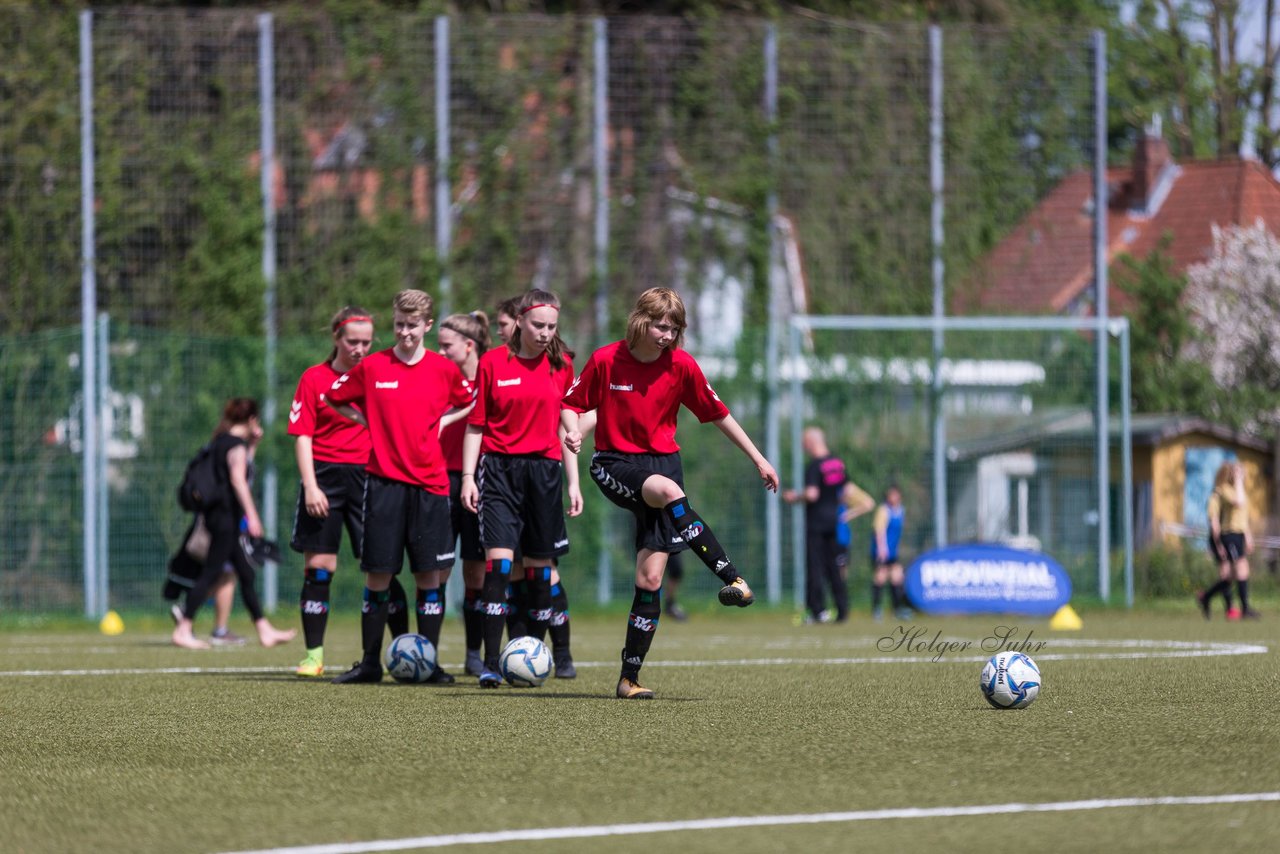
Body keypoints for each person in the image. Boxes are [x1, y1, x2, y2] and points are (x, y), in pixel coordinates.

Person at [562, 286, 778, 700]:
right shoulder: (607, 359)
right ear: (641, 320)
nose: (666, 334)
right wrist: (572, 431)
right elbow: (571, 403)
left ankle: (629, 679)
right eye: (661, 325)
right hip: (614, 463)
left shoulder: (682, 366)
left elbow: (719, 414)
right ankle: (734, 578)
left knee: (650, 577)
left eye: (674, 327)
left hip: (664, 466)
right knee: (668, 491)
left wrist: (759, 458)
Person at [323, 289, 475, 684]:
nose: (405, 333)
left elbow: (469, 399)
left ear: (427, 325)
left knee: (429, 577)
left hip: (429, 486)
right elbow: (334, 397)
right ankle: (370, 663)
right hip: (384, 485)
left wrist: (445, 421)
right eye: (399, 325)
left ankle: (430, 665)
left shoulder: (443, 370)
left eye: (413, 326)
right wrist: (363, 421)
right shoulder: (373, 367)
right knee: (379, 576)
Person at [461, 289, 583, 688]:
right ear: (521, 323)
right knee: (498, 567)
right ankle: (492, 664)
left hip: (544, 474)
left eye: (552, 326)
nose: (546, 333)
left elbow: (568, 411)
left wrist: (574, 476)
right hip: (498, 472)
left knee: (540, 572)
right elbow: (476, 423)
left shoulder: (561, 364)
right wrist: (467, 478)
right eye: (538, 325)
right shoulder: (492, 362)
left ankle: (536, 655)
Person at [287, 306, 413, 677]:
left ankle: (405, 651)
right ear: (336, 339)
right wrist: (311, 485)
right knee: (319, 569)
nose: (359, 348)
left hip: (370, 477)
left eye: (366, 342)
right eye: (351, 341)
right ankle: (314, 656)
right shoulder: (313, 378)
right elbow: (302, 435)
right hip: (324, 478)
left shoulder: (378, 375)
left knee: (382, 568)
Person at [171, 398, 297, 650]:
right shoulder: (235, 446)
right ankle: (183, 628)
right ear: (251, 420)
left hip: (217, 516)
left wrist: (253, 444)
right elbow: (239, 480)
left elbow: (238, 471)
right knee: (212, 573)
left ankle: (264, 630)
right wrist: (252, 516)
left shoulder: (220, 441)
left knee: (245, 573)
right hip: (227, 519)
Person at [437, 310, 492, 678]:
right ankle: (427, 652)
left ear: (468, 345)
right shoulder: (436, 379)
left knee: (475, 572)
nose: (439, 353)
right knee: (436, 571)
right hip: (439, 480)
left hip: (478, 482)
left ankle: (474, 653)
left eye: (446, 346)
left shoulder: (491, 377)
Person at [782, 426, 874, 624]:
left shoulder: (815, 466)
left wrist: (795, 497)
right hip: (834, 522)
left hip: (816, 523)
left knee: (815, 567)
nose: (803, 446)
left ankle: (817, 611)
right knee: (834, 567)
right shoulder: (836, 464)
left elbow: (812, 494)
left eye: (804, 443)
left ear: (811, 442)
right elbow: (847, 489)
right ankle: (842, 610)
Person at [1199, 460, 1260, 620]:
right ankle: (1242, 609)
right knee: (1240, 569)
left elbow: (1243, 517)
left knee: (1231, 576)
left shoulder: (1240, 490)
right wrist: (1218, 544)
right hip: (1229, 534)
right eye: (1238, 472)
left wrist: (1248, 536)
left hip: (1238, 534)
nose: (1241, 474)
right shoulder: (1223, 491)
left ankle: (1206, 596)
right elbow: (1217, 521)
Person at [869, 485, 908, 621]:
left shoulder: (901, 510)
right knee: (880, 577)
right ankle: (877, 610)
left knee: (897, 577)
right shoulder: (883, 510)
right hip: (882, 550)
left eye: (895, 495)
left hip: (893, 551)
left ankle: (897, 609)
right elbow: (879, 530)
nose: (893, 498)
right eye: (891, 495)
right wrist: (881, 548)